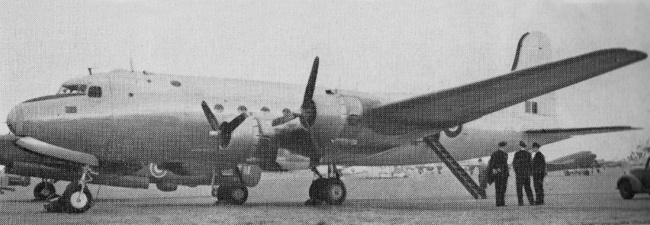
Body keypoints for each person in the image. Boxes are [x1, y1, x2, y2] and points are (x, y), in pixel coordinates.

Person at [512, 141, 535, 206]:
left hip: (519, 174)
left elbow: (514, 164)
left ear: (520, 146)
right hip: (526, 174)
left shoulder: (517, 154)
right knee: (528, 188)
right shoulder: (528, 154)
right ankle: (531, 201)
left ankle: (520, 202)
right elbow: (531, 164)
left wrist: (516, 171)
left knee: (519, 188)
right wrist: (530, 172)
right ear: (525, 146)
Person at [488, 141, 509, 207]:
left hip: (497, 174)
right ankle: (502, 203)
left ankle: (498, 203)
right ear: (504, 146)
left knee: (497, 188)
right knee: (503, 189)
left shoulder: (494, 154)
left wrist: (494, 169)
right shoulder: (505, 154)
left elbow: (491, 163)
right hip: (503, 173)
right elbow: (504, 164)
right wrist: (499, 169)